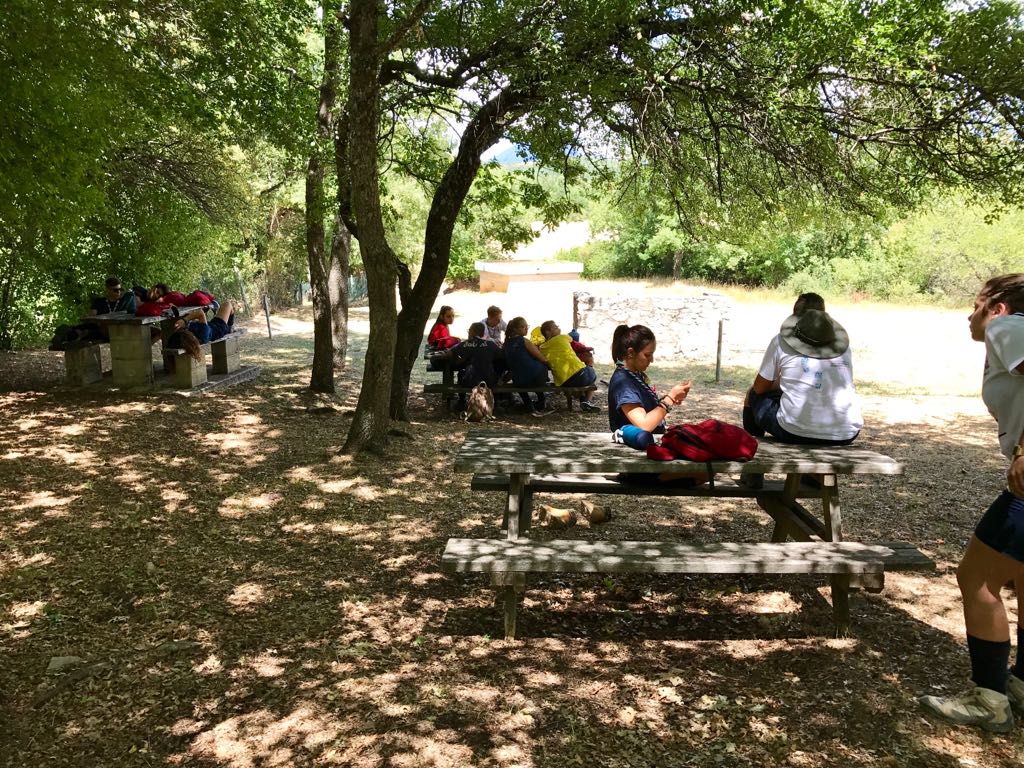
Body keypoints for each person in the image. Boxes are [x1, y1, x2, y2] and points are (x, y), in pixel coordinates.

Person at [919, 274, 1024, 733]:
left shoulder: (1008, 327)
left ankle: (989, 700)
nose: (969, 315)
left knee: (976, 577)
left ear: (996, 308)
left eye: (976, 305)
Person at [742, 295, 862, 445]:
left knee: (753, 394)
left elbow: (760, 388)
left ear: (795, 318)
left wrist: (779, 384)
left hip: (793, 432)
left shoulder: (780, 341)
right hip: (847, 433)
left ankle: (753, 445)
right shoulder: (843, 348)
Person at [608, 324, 704, 485]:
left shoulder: (634, 375)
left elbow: (647, 411)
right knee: (704, 472)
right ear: (630, 352)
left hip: (650, 452)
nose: (651, 360)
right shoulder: (623, 382)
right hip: (639, 461)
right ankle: (642, 480)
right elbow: (644, 424)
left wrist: (670, 398)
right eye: (647, 355)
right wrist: (669, 399)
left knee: (706, 465)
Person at [535, 320, 600, 412]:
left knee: (579, 376)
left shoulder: (542, 348)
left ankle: (582, 399)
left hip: (564, 382)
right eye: (555, 327)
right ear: (547, 332)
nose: (558, 328)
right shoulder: (563, 337)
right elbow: (574, 343)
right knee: (590, 371)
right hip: (581, 376)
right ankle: (587, 401)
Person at [504, 316, 551, 413]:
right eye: (522, 327)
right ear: (515, 329)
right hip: (537, 378)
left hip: (520, 382)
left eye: (527, 326)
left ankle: (528, 403)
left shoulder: (506, 344)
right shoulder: (524, 340)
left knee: (519, 376)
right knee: (536, 368)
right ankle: (541, 400)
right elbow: (543, 359)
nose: (526, 329)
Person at [164, 300, 235, 353]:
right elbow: (200, 313)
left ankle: (228, 326)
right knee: (227, 304)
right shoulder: (203, 335)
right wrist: (184, 320)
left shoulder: (192, 336)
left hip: (211, 326)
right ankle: (229, 327)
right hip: (219, 327)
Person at [449, 322, 503, 389]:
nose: (468, 332)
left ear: (471, 332)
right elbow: (501, 354)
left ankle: (461, 396)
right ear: (482, 333)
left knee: (461, 373)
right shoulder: (491, 344)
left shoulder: (464, 344)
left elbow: (449, 353)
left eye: (469, 330)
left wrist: (459, 360)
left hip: (471, 381)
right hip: (489, 381)